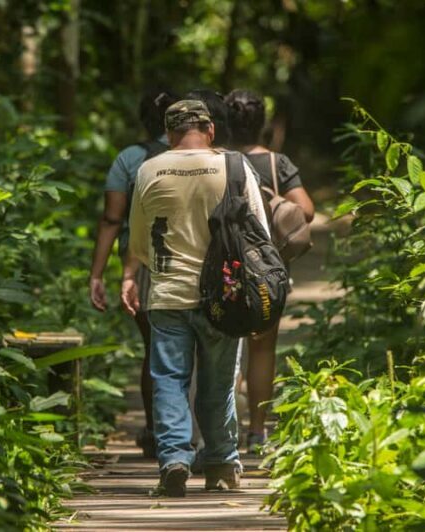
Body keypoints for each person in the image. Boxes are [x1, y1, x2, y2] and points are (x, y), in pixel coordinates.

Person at [120, 100, 270, 497]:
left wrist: (132, 277)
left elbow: (137, 240)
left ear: (169, 134)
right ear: (210, 130)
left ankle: (173, 459)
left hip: (168, 294)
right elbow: (261, 235)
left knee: (168, 380)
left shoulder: (148, 169)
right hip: (227, 294)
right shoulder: (235, 166)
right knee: (218, 384)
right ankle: (220, 465)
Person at [224, 89, 315, 453]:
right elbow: (305, 211)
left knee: (224, 349)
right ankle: (258, 432)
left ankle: (224, 430)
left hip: (226, 270)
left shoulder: (220, 161)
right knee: (263, 350)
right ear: (261, 124)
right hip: (269, 273)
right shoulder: (277, 164)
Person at [88, 89, 176, 458]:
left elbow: (112, 219)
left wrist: (96, 274)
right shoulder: (201, 157)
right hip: (191, 260)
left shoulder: (129, 159)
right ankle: (188, 433)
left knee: (156, 348)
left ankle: (157, 431)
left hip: (139, 261)